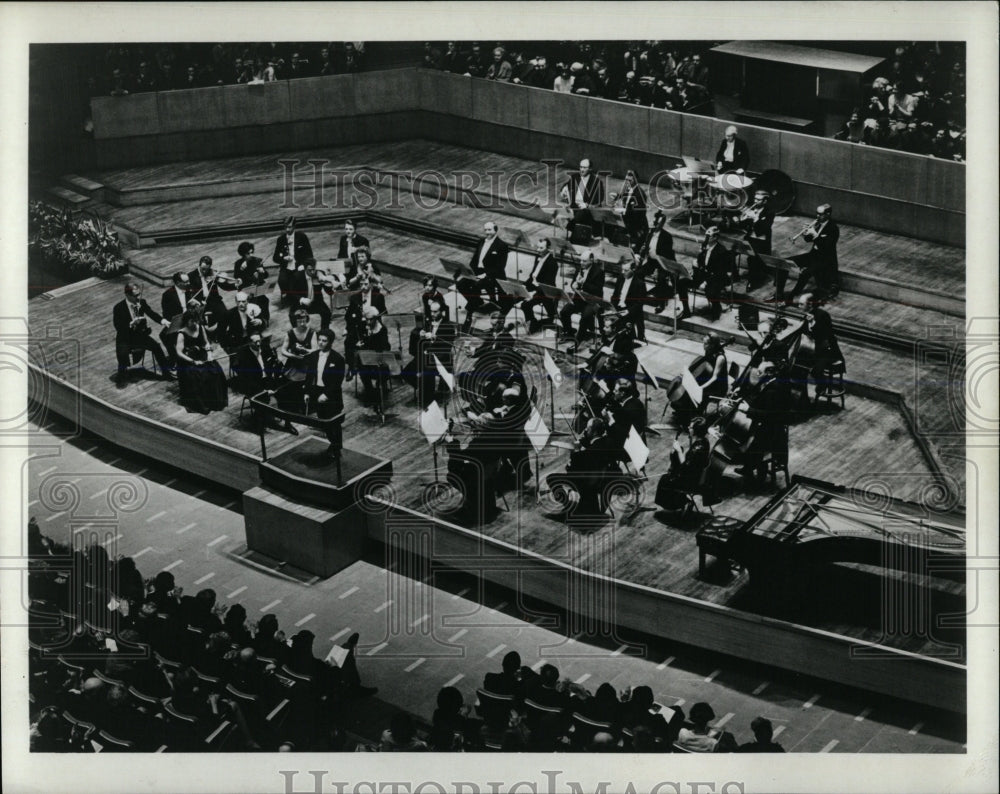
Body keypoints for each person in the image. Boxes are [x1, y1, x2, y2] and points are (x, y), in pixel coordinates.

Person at [233, 332, 299, 435]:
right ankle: (259, 424)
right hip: (254, 384)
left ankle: (288, 423)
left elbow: (273, 366)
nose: (259, 344)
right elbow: (246, 379)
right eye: (255, 342)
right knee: (262, 399)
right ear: (250, 343)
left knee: (287, 392)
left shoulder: (265, 348)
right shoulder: (243, 355)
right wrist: (265, 390)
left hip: (267, 380)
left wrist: (277, 367)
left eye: (259, 341)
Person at [112, 281, 172, 388]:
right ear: (127, 295)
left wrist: (163, 321)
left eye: (139, 294)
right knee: (122, 354)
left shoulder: (141, 302)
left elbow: (151, 313)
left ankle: (166, 373)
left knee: (157, 347)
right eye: (135, 296)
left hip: (139, 336)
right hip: (125, 337)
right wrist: (130, 324)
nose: (138, 297)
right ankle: (122, 376)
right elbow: (118, 327)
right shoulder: (119, 308)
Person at [776, 204, 840, 303]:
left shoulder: (833, 228)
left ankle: (792, 295)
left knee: (805, 273)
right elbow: (808, 239)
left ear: (828, 214)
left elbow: (826, 246)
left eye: (821, 214)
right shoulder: (818, 224)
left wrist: (814, 233)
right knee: (785, 262)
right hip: (814, 255)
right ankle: (779, 293)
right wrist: (806, 233)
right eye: (817, 213)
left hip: (825, 259)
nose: (818, 216)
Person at [303, 328, 347, 460]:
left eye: (324, 341)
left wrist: (326, 395)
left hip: (332, 396)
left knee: (334, 423)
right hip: (317, 392)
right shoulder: (313, 356)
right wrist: (307, 392)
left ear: (330, 342)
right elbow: (309, 375)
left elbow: (337, 381)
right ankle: (333, 444)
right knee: (323, 421)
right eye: (319, 340)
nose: (321, 343)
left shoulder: (338, 359)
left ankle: (337, 448)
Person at [174, 309, 229, 414]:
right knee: (198, 376)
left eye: (196, 321)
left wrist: (209, 354)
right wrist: (193, 361)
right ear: (187, 321)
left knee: (215, 371)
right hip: (188, 359)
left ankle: (215, 402)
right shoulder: (181, 333)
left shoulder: (200, 327)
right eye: (191, 321)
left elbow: (206, 343)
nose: (194, 323)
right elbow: (179, 352)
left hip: (201, 354)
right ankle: (203, 404)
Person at [408, 298, 457, 409]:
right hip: (427, 355)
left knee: (426, 369)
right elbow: (416, 331)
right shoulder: (428, 322)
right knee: (407, 371)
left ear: (442, 312)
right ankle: (423, 388)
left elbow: (446, 346)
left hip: (441, 358)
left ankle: (428, 399)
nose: (433, 314)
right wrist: (420, 333)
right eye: (431, 311)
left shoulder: (448, 326)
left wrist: (434, 338)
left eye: (436, 312)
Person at [461, 221, 510, 331]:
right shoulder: (481, 241)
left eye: (489, 230)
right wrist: (470, 271)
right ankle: (477, 302)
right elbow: (474, 260)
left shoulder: (502, 245)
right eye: (485, 230)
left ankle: (470, 313)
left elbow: (500, 266)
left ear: (495, 230)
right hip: (478, 272)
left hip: (492, 275)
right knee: (461, 284)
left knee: (476, 286)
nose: (487, 232)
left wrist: (485, 274)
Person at [799, 294, 845, 404]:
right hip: (814, 349)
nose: (798, 306)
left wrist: (812, 324)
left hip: (828, 351)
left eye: (801, 304)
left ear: (809, 304)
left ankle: (822, 385)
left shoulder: (823, 315)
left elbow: (825, 335)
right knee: (799, 364)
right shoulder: (807, 315)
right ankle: (802, 395)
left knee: (816, 369)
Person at [344, 276, 388, 378]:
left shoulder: (378, 296)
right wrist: (349, 327)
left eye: (366, 284)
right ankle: (352, 367)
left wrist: (374, 319)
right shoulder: (355, 298)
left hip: (374, 324)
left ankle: (380, 375)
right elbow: (348, 316)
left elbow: (384, 313)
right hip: (359, 326)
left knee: (378, 344)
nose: (363, 287)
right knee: (348, 341)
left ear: (371, 284)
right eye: (361, 284)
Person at [560, 252, 605, 343]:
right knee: (564, 312)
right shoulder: (580, 269)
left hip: (592, 301)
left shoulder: (599, 272)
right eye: (580, 260)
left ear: (591, 260)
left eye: (584, 261)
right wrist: (574, 285)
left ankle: (578, 339)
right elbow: (573, 284)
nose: (581, 263)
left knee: (585, 317)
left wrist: (583, 283)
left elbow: (597, 290)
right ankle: (569, 332)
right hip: (579, 299)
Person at [693, 226, 735, 321]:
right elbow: (701, 263)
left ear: (715, 237)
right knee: (682, 283)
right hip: (706, 274)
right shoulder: (705, 247)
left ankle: (716, 309)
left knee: (711, 292)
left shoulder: (721, 251)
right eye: (706, 236)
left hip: (718, 277)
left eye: (709, 237)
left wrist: (705, 282)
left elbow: (719, 271)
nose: (706, 239)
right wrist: (700, 254)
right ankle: (686, 311)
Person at [354, 306, 392, 409]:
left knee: (381, 372)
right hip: (367, 359)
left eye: (371, 319)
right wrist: (360, 344)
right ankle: (370, 393)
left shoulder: (382, 329)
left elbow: (386, 347)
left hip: (379, 359)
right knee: (362, 369)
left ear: (376, 318)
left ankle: (380, 391)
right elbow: (359, 340)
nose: (369, 322)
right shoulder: (363, 326)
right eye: (367, 319)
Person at [272, 216, 315, 304]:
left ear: (294, 226)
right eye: (285, 227)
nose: (287, 230)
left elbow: (309, 255)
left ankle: (298, 298)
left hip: (299, 266)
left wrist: (303, 265)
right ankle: (287, 296)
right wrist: (283, 258)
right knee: (282, 280)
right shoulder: (281, 239)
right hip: (286, 267)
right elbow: (275, 257)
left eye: (289, 227)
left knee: (297, 277)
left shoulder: (302, 237)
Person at [520, 237, 559, 333]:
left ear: (548, 248)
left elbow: (547, 284)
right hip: (533, 287)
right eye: (537, 247)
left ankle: (533, 324)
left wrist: (532, 295)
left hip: (544, 291)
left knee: (525, 304)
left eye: (541, 248)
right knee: (513, 296)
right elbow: (532, 276)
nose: (538, 250)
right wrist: (524, 286)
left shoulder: (552, 263)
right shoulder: (538, 258)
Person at [739, 190, 775, 290]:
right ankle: (734, 275)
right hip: (750, 238)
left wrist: (755, 218)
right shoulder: (752, 208)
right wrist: (743, 218)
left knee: (752, 258)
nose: (755, 201)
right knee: (730, 250)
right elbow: (742, 225)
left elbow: (764, 229)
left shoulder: (770, 212)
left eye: (758, 200)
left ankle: (752, 281)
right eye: (755, 199)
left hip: (761, 241)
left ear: (765, 201)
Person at [610, 255, 648, 341]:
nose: (623, 272)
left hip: (630, 309)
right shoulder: (620, 278)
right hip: (619, 307)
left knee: (623, 322)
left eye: (626, 270)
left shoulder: (640, 284)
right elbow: (615, 295)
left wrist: (628, 311)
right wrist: (612, 306)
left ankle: (628, 339)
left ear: (633, 269)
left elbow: (639, 303)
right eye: (622, 270)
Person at [560, 157, 605, 231]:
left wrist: (587, 204)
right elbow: (566, 186)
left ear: (590, 169)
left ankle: (569, 227)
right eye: (580, 167)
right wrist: (564, 189)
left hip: (586, 208)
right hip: (574, 206)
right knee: (559, 211)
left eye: (584, 168)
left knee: (581, 213)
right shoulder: (575, 177)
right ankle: (571, 228)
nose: (582, 170)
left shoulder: (596, 182)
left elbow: (599, 198)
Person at [232, 241, 270, 324]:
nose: (251, 255)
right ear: (243, 254)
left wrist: (262, 272)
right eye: (248, 254)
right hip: (245, 289)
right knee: (250, 302)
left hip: (257, 288)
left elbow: (266, 275)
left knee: (264, 300)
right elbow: (236, 278)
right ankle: (249, 321)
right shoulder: (238, 264)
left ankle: (264, 320)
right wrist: (241, 270)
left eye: (252, 252)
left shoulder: (257, 261)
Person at [617, 169, 649, 245]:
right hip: (628, 221)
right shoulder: (629, 189)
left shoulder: (640, 194)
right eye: (626, 180)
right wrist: (617, 197)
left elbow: (638, 214)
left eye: (630, 181)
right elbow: (626, 199)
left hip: (636, 226)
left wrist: (623, 210)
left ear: (636, 180)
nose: (627, 182)